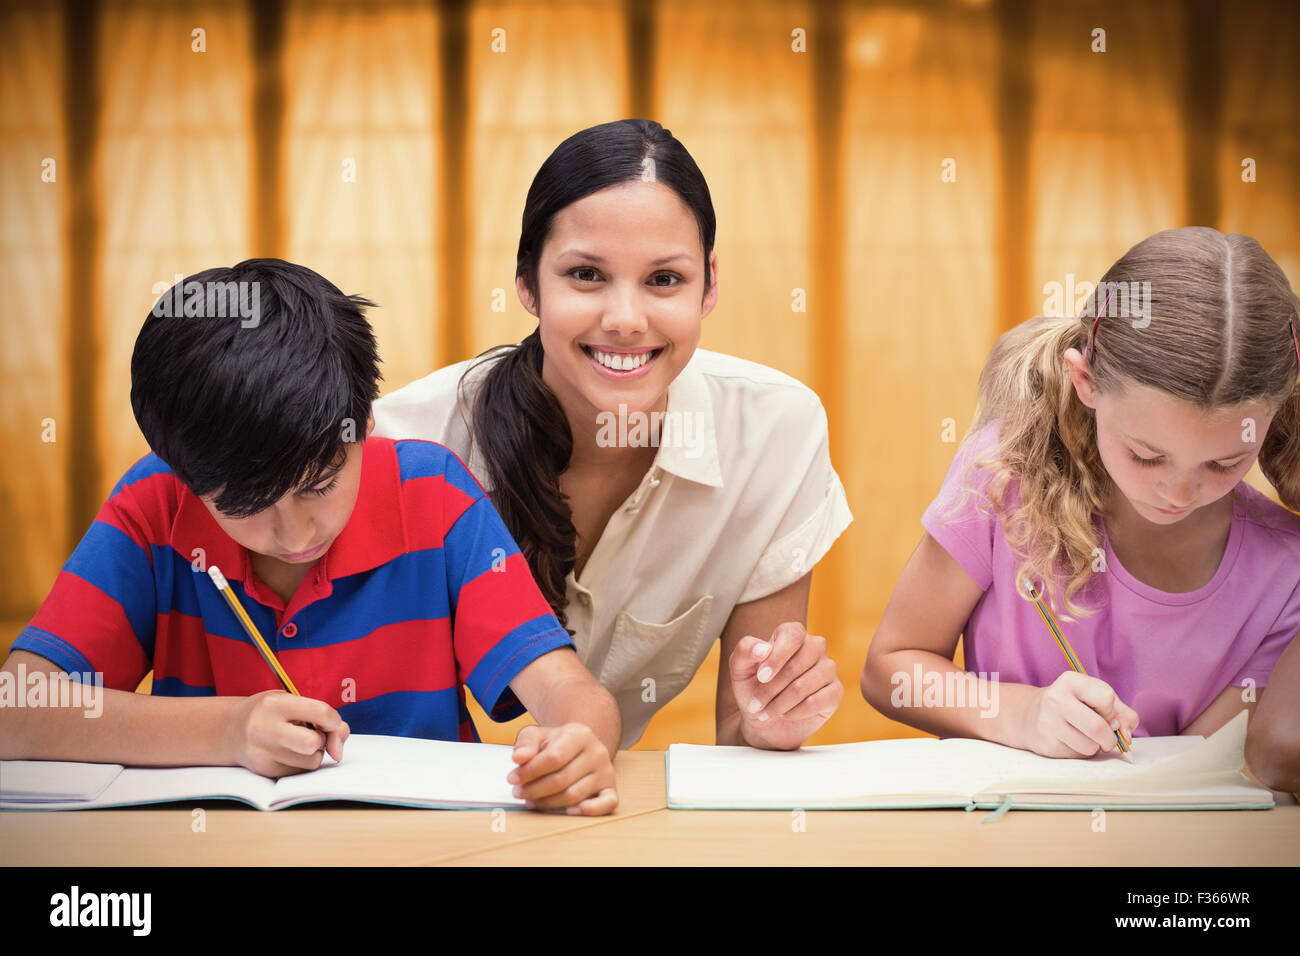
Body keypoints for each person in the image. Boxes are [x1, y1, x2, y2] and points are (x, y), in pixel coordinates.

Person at [1, 258, 620, 815]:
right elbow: (16, 709)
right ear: (185, 474)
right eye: (244, 505)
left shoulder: (433, 498)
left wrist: (578, 742)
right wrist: (226, 730)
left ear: (365, 424)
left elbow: (568, 689)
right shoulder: (154, 507)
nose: (295, 533)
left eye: (320, 486)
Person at [374, 119, 853, 749]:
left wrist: (772, 719)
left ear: (708, 285)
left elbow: (744, 730)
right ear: (527, 284)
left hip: (601, 806)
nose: (625, 320)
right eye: (586, 275)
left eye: (663, 280)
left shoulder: (775, 434)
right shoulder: (402, 443)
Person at [862, 227, 1300, 758]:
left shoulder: (1285, 572)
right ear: (1085, 380)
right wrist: (1020, 715)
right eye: (1145, 454)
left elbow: (1196, 772)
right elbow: (892, 666)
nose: (1179, 492)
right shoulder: (1004, 476)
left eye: (1225, 462)